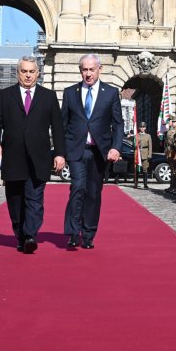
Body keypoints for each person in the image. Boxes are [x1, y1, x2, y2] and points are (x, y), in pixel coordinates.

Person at [0, 56, 65, 254]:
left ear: (38, 73)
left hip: (38, 157)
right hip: (13, 157)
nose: (28, 75)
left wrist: (59, 154)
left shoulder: (48, 96)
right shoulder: (5, 95)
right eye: (24, 71)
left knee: (34, 198)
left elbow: (57, 128)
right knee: (15, 199)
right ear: (18, 73)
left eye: (32, 71)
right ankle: (20, 234)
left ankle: (30, 234)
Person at [61, 54, 123, 249]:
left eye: (91, 69)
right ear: (80, 71)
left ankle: (88, 234)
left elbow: (118, 124)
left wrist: (115, 147)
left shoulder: (110, 93)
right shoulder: (70, 92)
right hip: (76, 150)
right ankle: (72, 232)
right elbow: (63, 124)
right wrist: (60, 152)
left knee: (93, 193)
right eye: (84, 70)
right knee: (77, 188)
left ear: (99, 69)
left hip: (99, 152)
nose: (88, 74)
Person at [137, 121, 153, 189]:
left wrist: (149, 155)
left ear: (145, 128)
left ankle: (145, 184)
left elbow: (150, 146)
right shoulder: (137, 135)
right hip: (138, 154)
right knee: (137, 169)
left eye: (143, 127)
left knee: (145, 169)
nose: (142, 128)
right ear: (139, 128)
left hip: (145, 154)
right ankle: (136, 183)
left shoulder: (148, 136)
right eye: (141, 127)